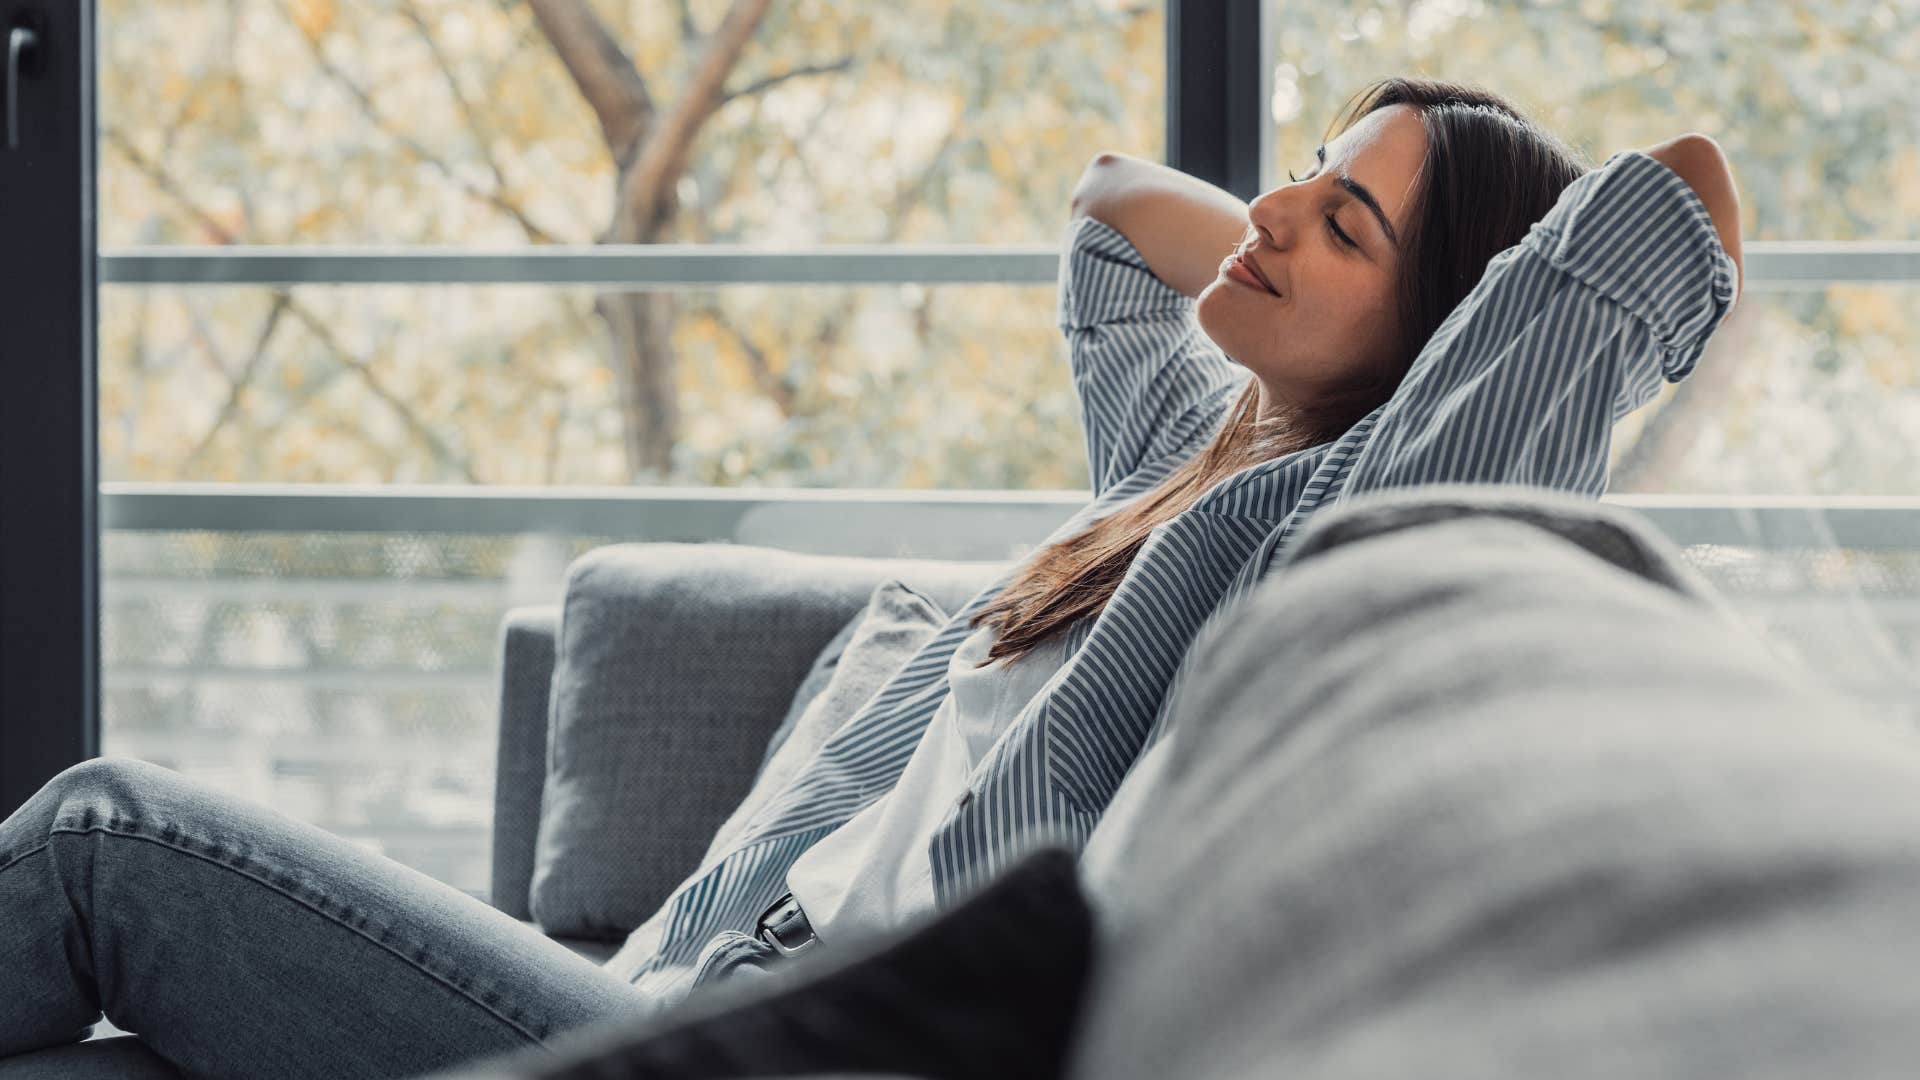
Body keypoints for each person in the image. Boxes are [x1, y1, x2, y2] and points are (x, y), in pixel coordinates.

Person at [0, 77, 1740, 1078]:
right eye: (1300, 169)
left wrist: (1415, 315)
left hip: (785, 1045)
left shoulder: (1338, 524)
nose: (1277, 214)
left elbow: (1679, 199)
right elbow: (1111, 208)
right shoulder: (1180, 464)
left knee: (107, 843)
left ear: (1447, 346)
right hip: (668, 991)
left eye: (1343, 224)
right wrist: (1319, 244)